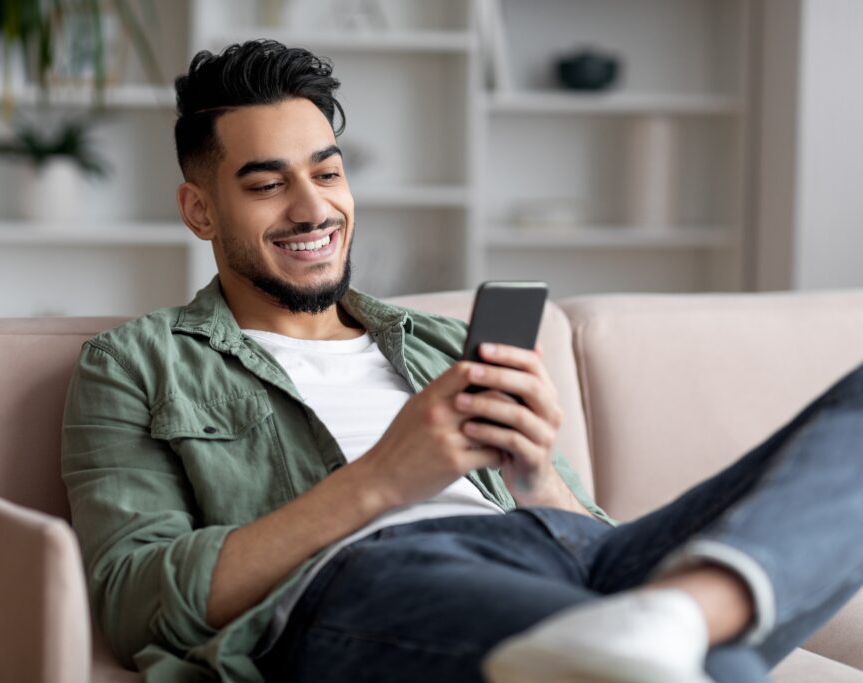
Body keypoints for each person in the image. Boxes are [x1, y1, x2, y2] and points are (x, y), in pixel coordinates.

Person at [61, 40, 863, 683]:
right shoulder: (137, 362)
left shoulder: (441, 339)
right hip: (365, 582)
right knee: (692, 660)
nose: (313, 209)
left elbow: (584, 537)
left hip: (565, 556)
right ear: (200, 208)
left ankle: (676, 613)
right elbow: (136, 599)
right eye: (268, 184)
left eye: (328, 172)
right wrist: (382, 479)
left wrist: (539, 481)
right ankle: (680, 629)